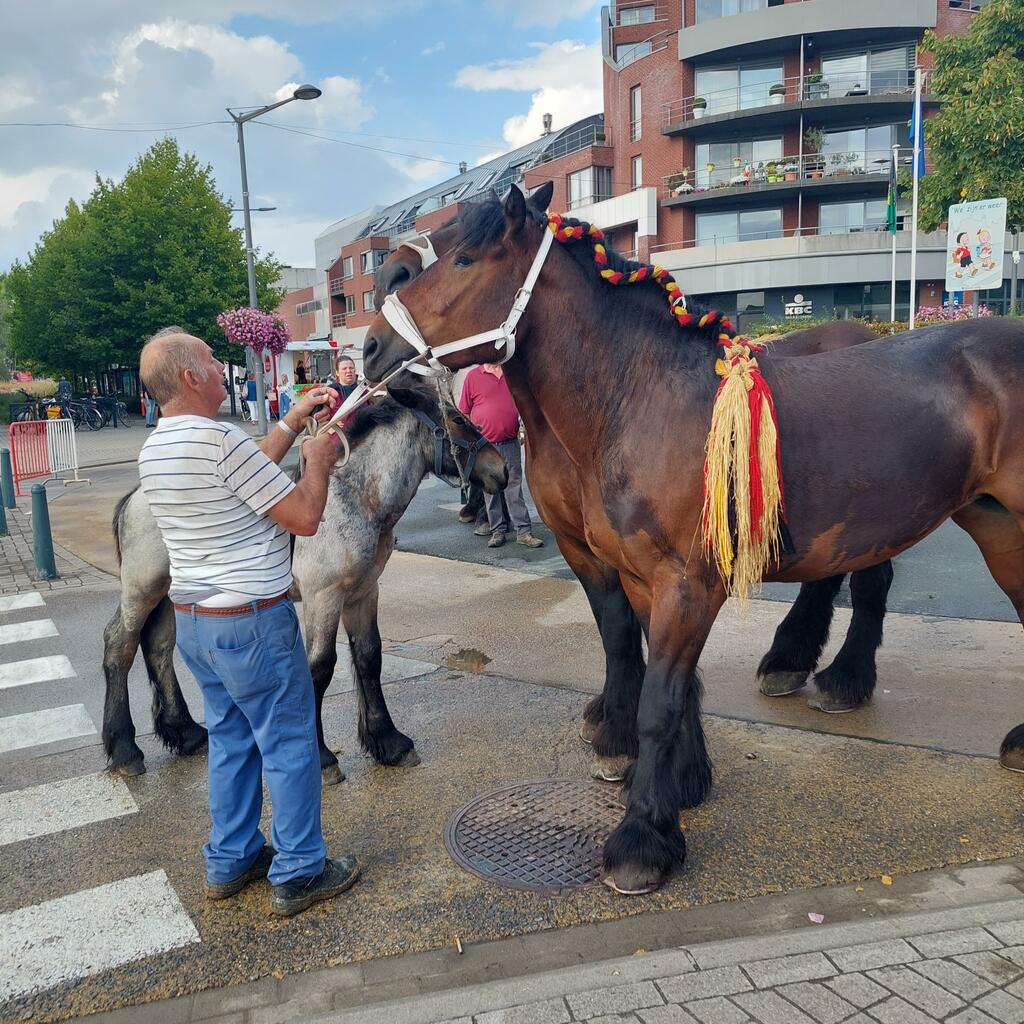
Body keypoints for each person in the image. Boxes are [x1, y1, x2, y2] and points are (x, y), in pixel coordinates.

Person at [138, 327, 360, 917]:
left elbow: (244, 475)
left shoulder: (157, 447)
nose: (220, 367)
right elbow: (305, 517)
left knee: (232, 742)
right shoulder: (220, 441)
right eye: (212, 361)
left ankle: (231, 858)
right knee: (289, 745)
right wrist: (316, 458)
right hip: (254, 624)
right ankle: (300, 870)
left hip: (197, 625)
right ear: (191, 377)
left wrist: (290, 420)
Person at [458, 362, 543, 549]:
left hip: (510, 442)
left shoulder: (512, 372)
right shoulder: (473, 377)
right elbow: (464, 411)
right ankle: (497, 531)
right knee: (491, 490)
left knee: (514, 488)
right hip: (485, 447)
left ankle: (524, 531)